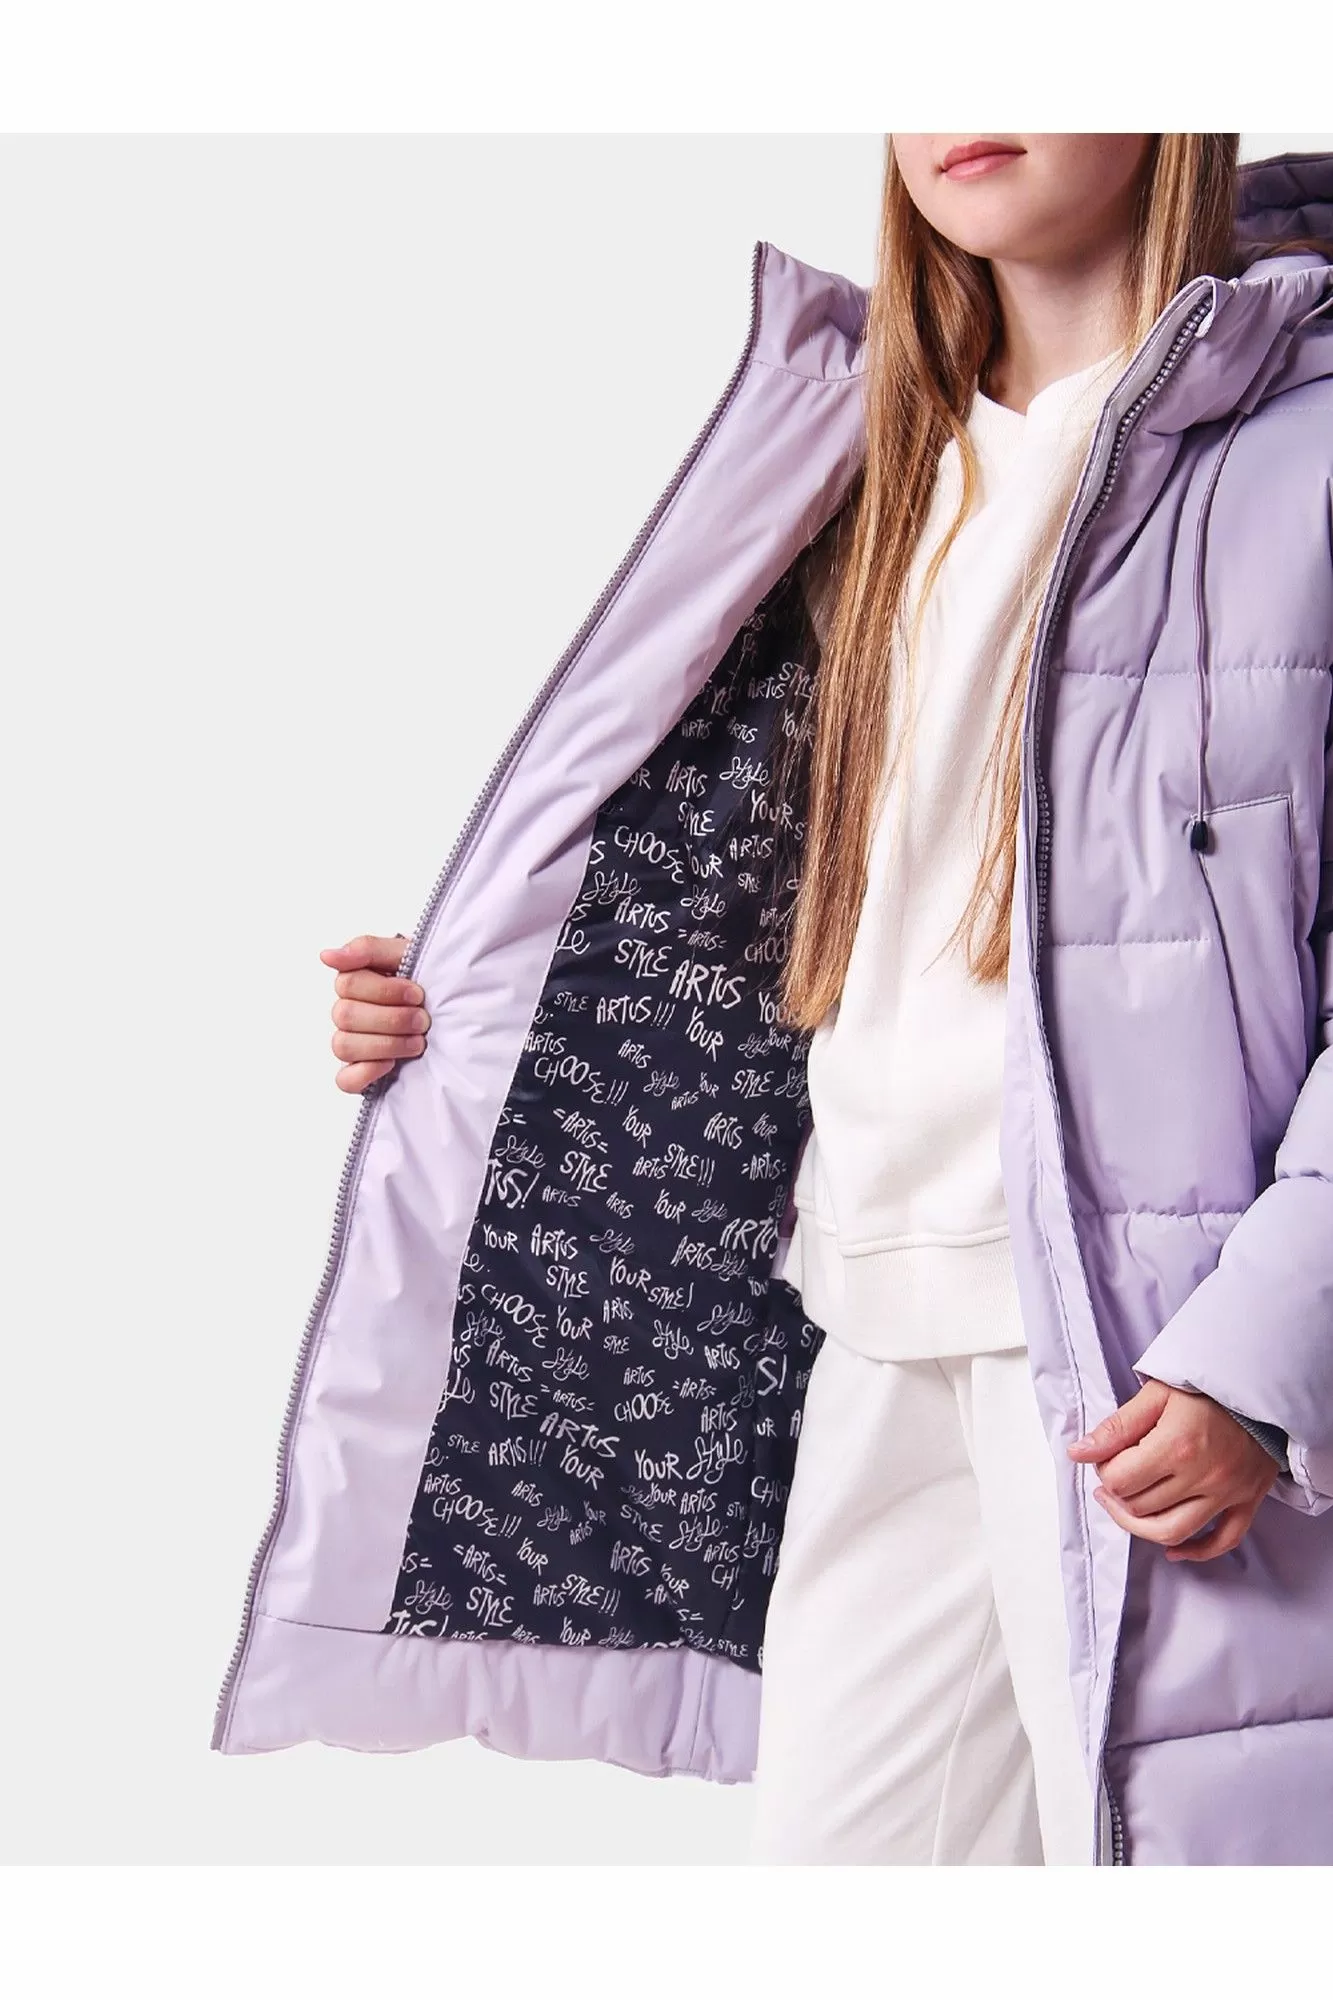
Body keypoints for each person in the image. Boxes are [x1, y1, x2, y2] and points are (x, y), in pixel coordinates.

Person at [222, 135, 1333, 1864]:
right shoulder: (856, 455)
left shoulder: (1302, 446)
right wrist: (463, 1025)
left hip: (1150, 1361)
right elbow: (738, 905)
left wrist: (1268, 1352)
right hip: (868, 1313)